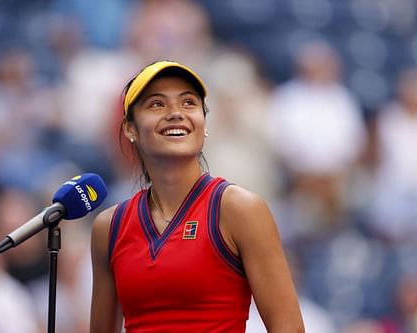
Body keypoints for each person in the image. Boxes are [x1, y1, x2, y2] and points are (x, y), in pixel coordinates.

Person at [89, 60, 305, 332]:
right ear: (130, 129)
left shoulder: (239, 209)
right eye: (157, 104)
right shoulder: (109, 227)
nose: (176, 113)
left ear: (203, 125)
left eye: (189, 103)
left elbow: (289, 328)